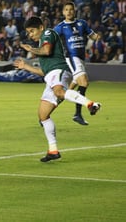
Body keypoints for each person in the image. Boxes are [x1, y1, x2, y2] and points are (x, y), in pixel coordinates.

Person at [14, 16, 101, 162]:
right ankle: (53, 151)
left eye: (32, 31)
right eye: (28, 32)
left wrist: (32, 50)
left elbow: (47, 51)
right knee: (43, 116)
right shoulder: (42, 43)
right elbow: (45, 72)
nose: (30, 35)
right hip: (52, 76)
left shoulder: (48, 34)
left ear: (41, 27)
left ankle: (90, 104)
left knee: (59, 92)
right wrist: (26, 66)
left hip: (59, 71)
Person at [54, 2, 101, 126]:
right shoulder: (60, 27)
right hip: (71, 57)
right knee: (84, 82)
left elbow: (92, 36)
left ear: (74, 11)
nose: (69, 12)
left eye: (71, 9)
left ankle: (47, 110)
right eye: (66, 9)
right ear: (63, 12)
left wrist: (97, 37)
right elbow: (51, 40)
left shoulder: (82, 23)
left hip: (81, 58)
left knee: (66, 92)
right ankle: (79, 113)